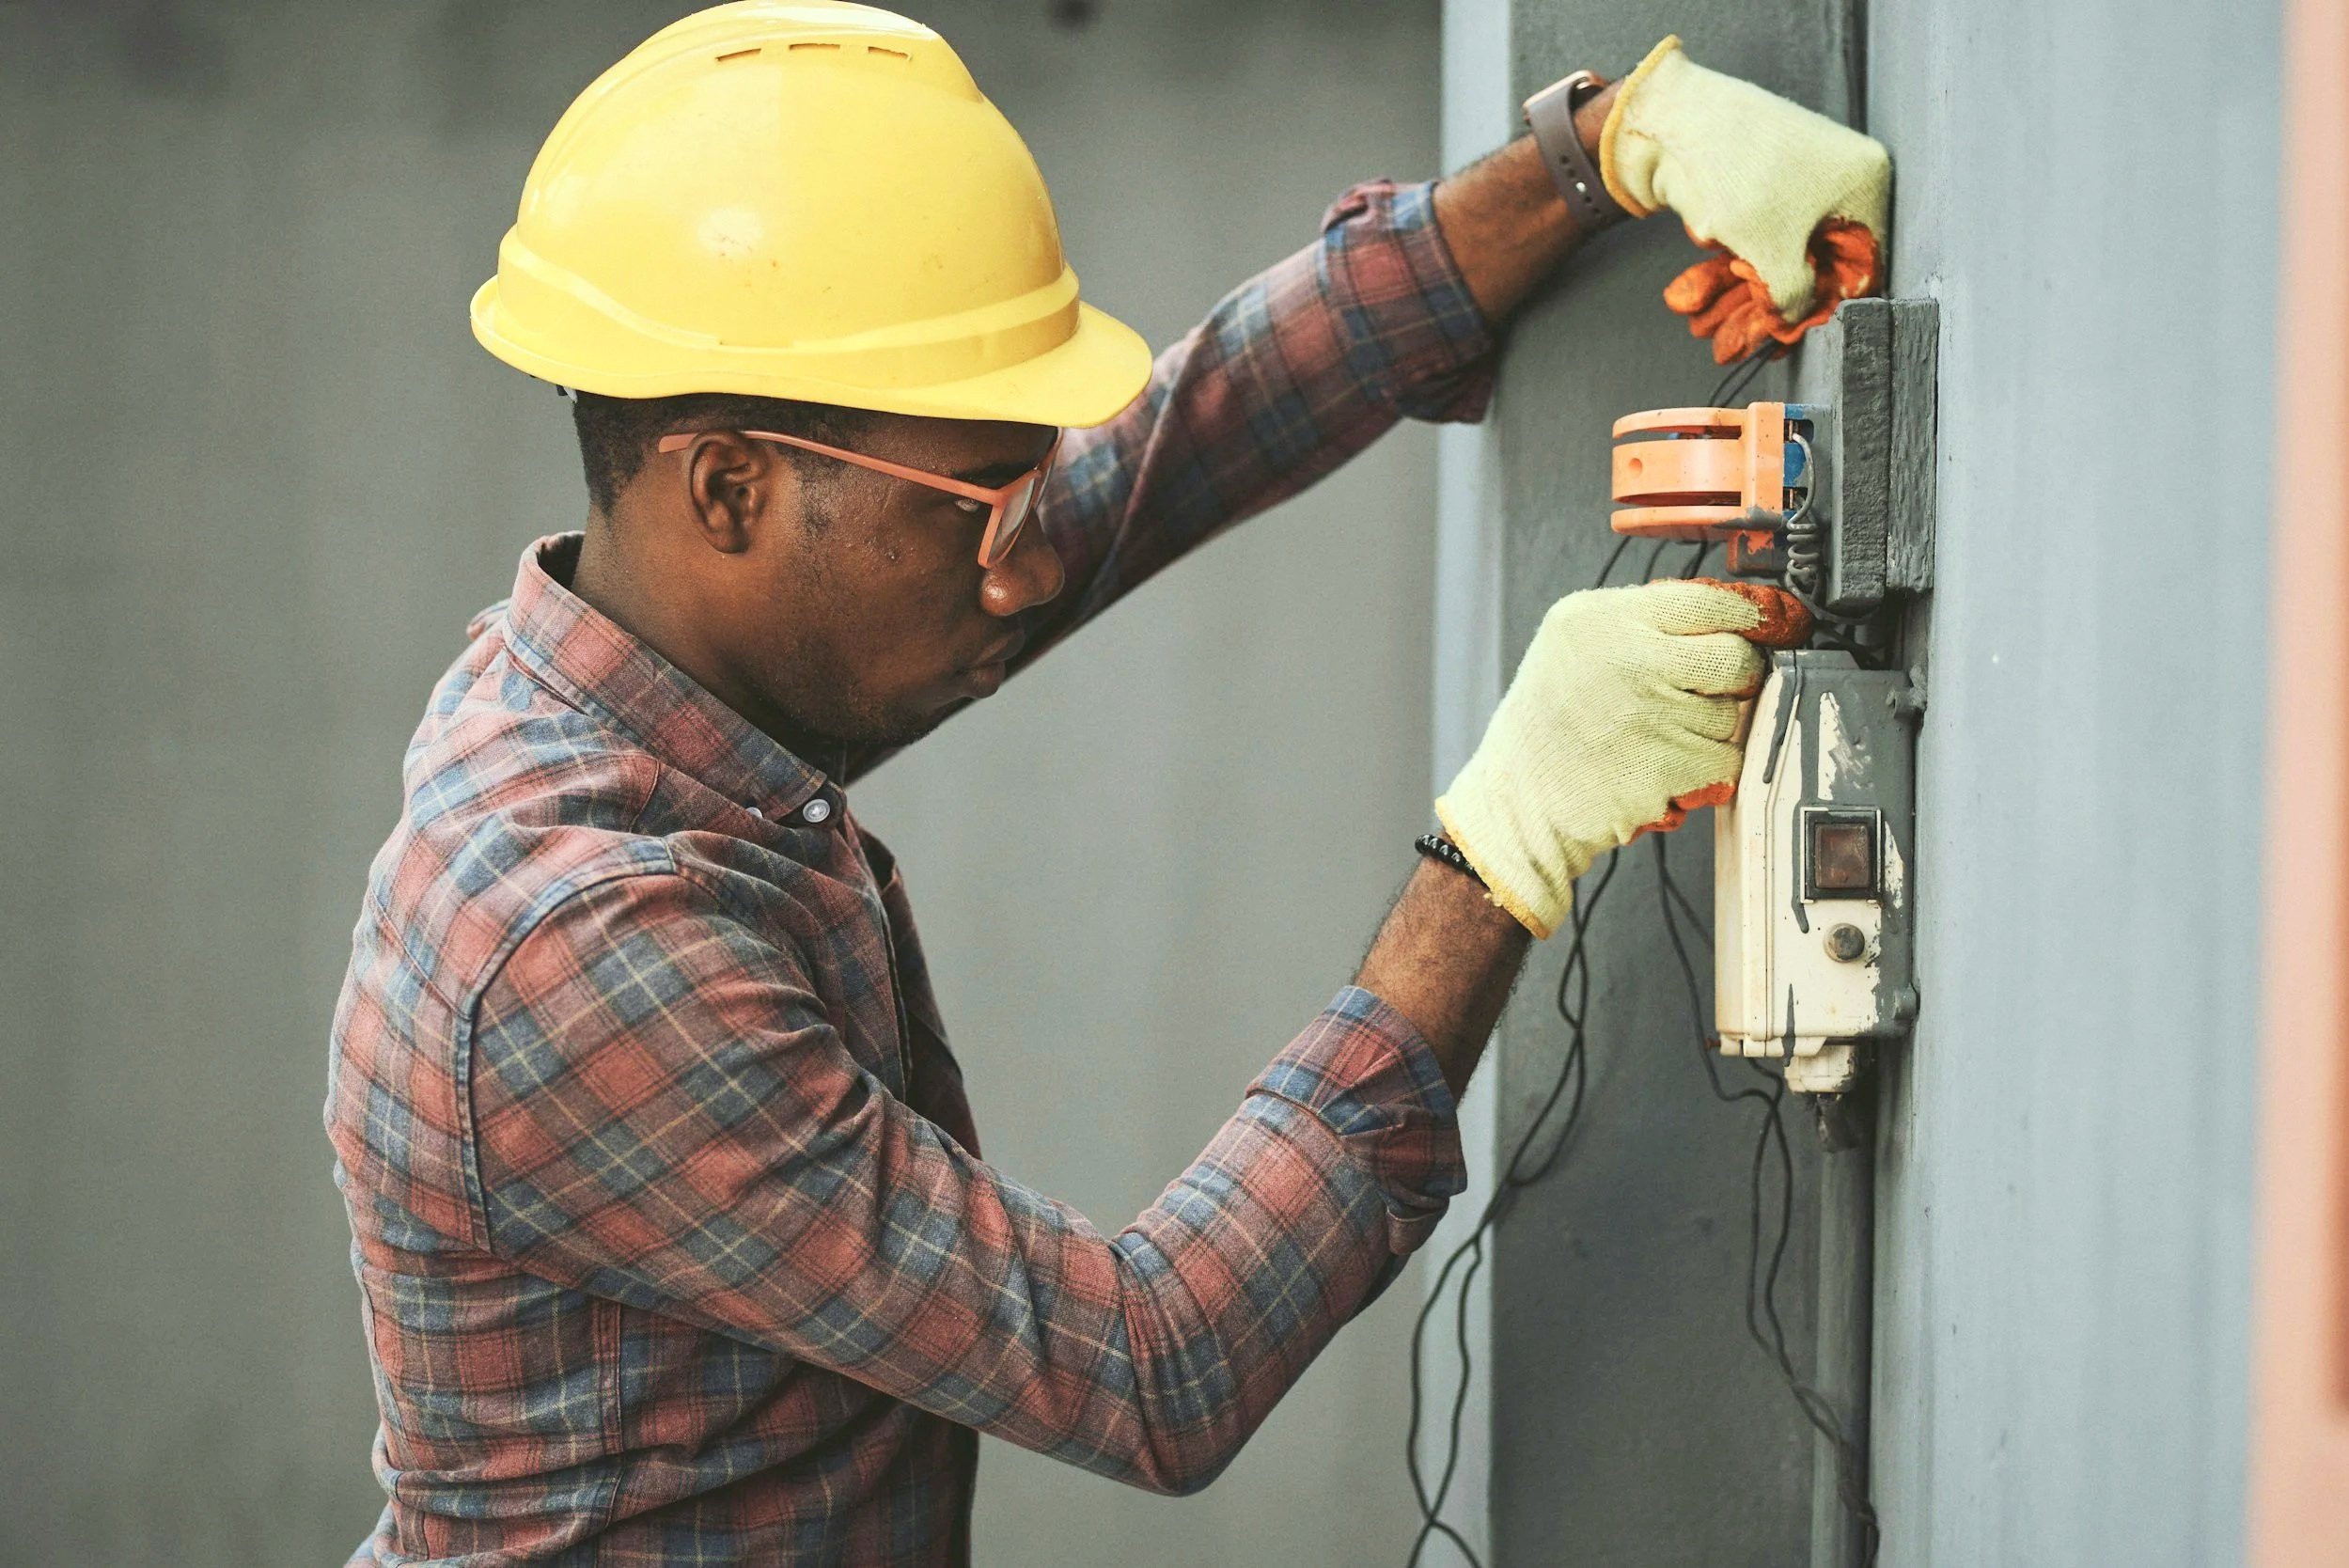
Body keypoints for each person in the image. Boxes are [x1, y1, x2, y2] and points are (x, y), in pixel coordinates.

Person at [324, 6, 1890, 1563]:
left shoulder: (648, 671)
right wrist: (1497, 848)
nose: (1018, 571)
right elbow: (1152, 1366)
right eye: (978, 509)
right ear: (731, 486)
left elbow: (1182, 439)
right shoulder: (581, 948)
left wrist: (1598, 152)